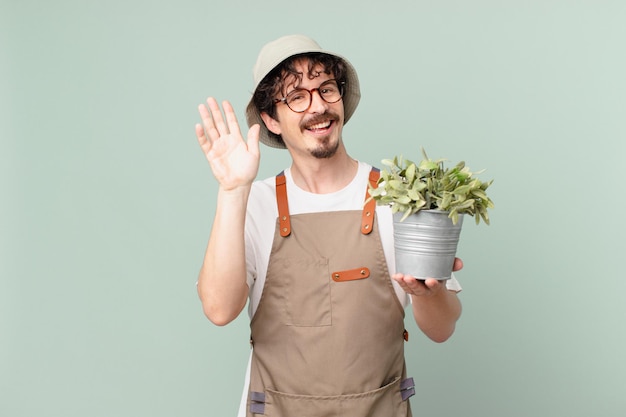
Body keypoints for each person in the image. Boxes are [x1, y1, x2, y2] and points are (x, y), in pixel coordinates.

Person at [194, 34, 463, 417]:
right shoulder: (253, 203)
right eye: (297, 96)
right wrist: (233, 190)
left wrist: (428, 293)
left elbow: (443, 328)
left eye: (326, 89)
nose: (318, 106)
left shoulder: (398, 197)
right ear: (271, 118)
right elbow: (219, 309)